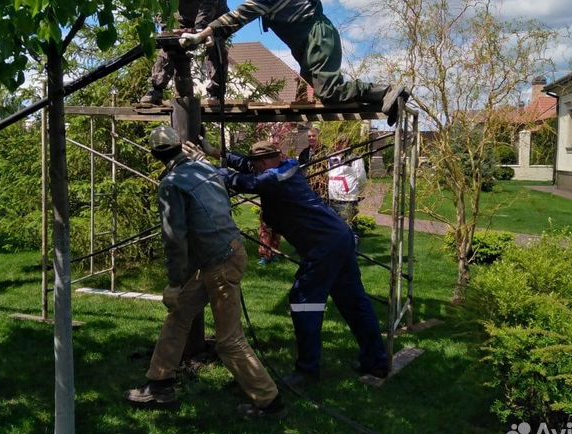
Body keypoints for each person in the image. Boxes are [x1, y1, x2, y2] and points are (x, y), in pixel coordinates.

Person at [126, 126, 285, 418]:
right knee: (180, 314)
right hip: (223, 254)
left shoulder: (172, 184)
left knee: (228, 341)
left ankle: (269, 401)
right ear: (179, 147)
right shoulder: (205, 169)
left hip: (220, 262)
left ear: (155, 155)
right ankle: (159, 384)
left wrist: (175, 284)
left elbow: (174, 239)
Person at [216, 140, 389, 385]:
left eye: (256, 165)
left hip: (324, 245)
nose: (253, 168)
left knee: (304, 300)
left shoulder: (276, 177)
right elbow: (247, 166)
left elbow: (248, 182)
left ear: (264, 163)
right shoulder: (283, 167)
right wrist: (220, 153)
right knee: (353, 301)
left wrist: (212, 171)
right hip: (338, 238)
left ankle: (307, 370)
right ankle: (376, 361)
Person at [178, 0, 407, 125]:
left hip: (318, 37)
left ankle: (386, 91)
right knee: (323, 92)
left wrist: (201, 34)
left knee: (329, 92)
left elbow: (237, 17)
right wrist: (212, 36)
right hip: (309, 44)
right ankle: (386, 102)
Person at [141, 0, 230, 107]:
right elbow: (162, 4)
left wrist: (200, 30)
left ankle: (216, 92)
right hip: (183, 15)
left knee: (216, 44)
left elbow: (209, 2)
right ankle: (156, 89)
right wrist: (166, 29)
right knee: (170, 44)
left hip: (213, 13)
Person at [328, 139, 368, 232]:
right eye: (338, 143)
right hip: (332, 199)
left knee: (349, 229)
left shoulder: (355, 158)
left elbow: (361, 178)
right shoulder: (330, 159)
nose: (340, 146)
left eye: (344, 143)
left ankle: (353, 245)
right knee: (335, 230)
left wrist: (355, 193)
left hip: (348, 200)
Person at [298, 127, 328, 203]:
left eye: (314, 136)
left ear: (319, 137)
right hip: (307, 189)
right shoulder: (304, 153)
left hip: (322, 189)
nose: (311, 138)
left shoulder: (326, 151)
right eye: (309, 136)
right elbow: (300, 170)